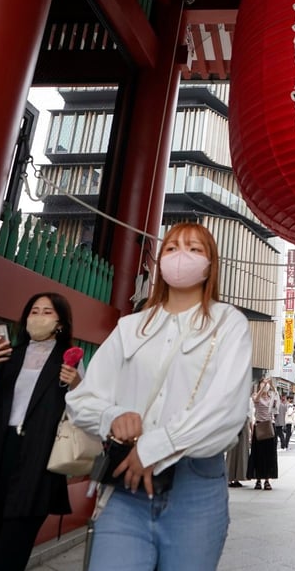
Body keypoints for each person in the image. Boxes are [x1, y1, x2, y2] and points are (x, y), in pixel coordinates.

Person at [66, 222, 252, 571]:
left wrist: (155, 447)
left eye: (195, 250)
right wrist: (113, 416)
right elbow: (82, 399)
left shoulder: (229, 324)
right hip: (127, 489)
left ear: (211, 264)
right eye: (172, 248)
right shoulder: (131, 327)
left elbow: (226, 412)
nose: (182, 256)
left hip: (195, 490)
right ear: (159, 262)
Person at [0, 293, 82, 570]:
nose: (39, 317)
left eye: (47, 312)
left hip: (39, 455)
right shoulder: (9, 355)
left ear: (60, 322)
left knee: (14, 543)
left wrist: (76, 383)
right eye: (34, 311)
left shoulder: (69, 360)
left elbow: (83, 414)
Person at [247, 377, 279, 489]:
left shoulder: (271, 397)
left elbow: (276, 403)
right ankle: (258, 480)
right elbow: (256, 400)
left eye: (266, 384)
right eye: (263, 384)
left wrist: (272, 385)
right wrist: (261, 388)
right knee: (258, 454)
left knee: (269, 454)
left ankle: (267, 480)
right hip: (259, 426)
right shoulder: (256, 395)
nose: (265, 386)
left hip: (269, 426)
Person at [226, 396, 251, 488]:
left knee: (241, 453)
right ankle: (229, 478)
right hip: (234, 425)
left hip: (243, 425)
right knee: (232, 453)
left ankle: (237, 478)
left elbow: (249, 414)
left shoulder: (247, 399)